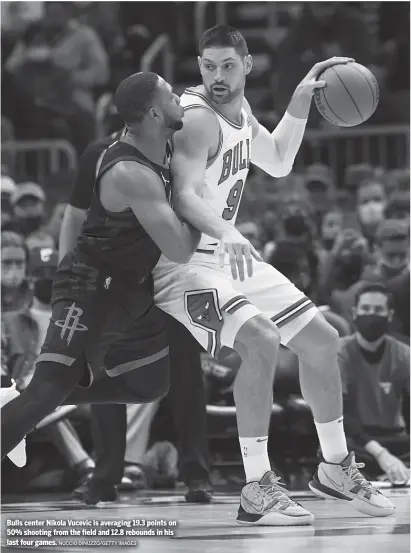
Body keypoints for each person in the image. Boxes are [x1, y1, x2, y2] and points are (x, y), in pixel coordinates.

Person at [152, 25, 394, 525]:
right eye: (208, 65)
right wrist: (231, 231)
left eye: (228, 66)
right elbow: (184, 196)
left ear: (247, 66)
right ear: (199, 66)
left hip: (230, 255)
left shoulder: (239, 114)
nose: (218, 76)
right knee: (260, 341)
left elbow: (280, 161)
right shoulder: (198, 119)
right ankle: (256, 488)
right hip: (185, 264)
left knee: (323, 341)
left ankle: (333, 468)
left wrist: (300, 101)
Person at [1, 73, 201, 504]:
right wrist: (201, 207)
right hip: (88, 287)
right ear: (151, 113)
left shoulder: (166, 147)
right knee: (48, 390)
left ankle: (31, 397)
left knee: (151, 384)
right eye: (170, 94)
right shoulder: (128, 169)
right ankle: (33, 398)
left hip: (131, 291)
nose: (179, 97)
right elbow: (181, 247)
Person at [60, 120, 212, 504]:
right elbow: (74, 216)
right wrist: (70, 272)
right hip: (117, 279)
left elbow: (196, 210)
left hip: (169, 273)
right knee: (103, 376)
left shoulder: (176, 153)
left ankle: (196, 474)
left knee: (186, 375)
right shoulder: (99, 154)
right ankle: (104, 475)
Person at [338, 283, 410, 484]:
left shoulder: (404, 355)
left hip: (395, 438)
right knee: (332, 454)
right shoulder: (339, 352)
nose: (371, 315)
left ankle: (391, 475)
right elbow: (343, 414)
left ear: (390, 315)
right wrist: (381, 455)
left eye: (378, 310)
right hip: (357, 440)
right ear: (354, 313)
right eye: (366, 309)